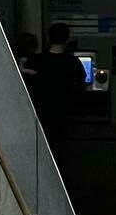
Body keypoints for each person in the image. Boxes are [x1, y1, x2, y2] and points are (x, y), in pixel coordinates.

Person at [31, 21, 87, 155]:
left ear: (49, 37)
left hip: (41, 115)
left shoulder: (36, 61)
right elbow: (81, 86)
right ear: (66, 39)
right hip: (65, 116)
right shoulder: (73, 62)